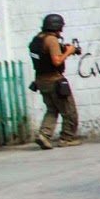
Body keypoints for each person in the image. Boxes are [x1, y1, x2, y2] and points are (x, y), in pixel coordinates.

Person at [27, 13, 80, 149]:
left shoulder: (37, 39)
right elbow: (56, 61)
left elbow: (44, 56)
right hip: (54, 80)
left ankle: (44, 135)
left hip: (40, 81)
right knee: (69, 111)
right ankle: (67, 138)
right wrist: (69, 51)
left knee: (52, 110)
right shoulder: (51, 40)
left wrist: (63, 49)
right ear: (57, 27)